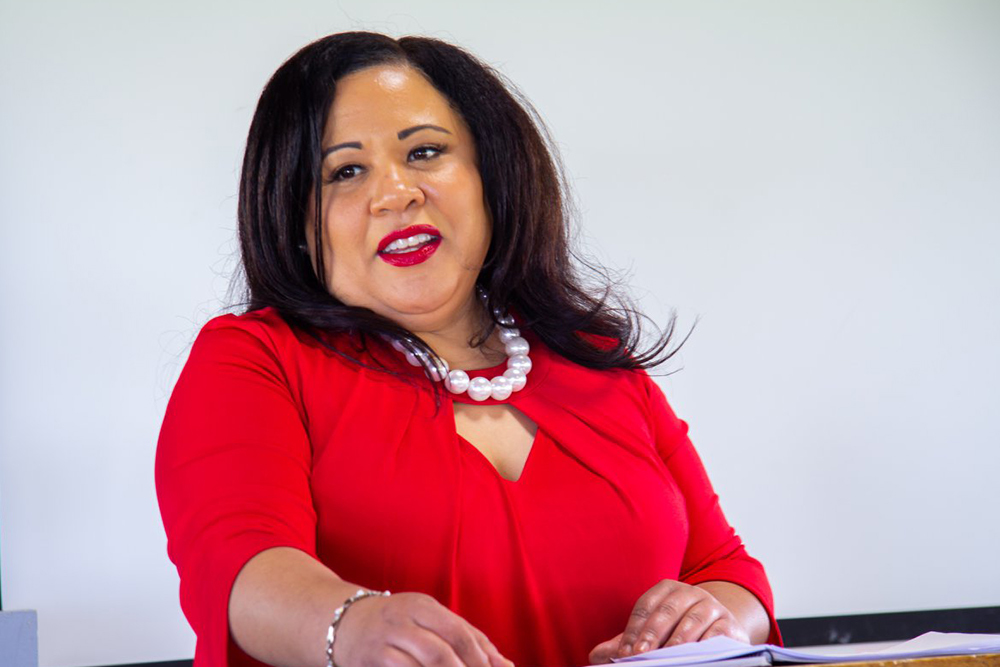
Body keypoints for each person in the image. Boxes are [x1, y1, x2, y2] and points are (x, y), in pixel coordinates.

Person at [156, 31, 780, 667]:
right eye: (345, 171)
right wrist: (353, 624)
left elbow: (725, 570)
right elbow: (241, 569)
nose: (395, 193)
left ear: (491, 174)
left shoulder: (596, 361)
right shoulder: (255, 360)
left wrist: (716, 618)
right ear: (295, 221)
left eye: (424, 152)